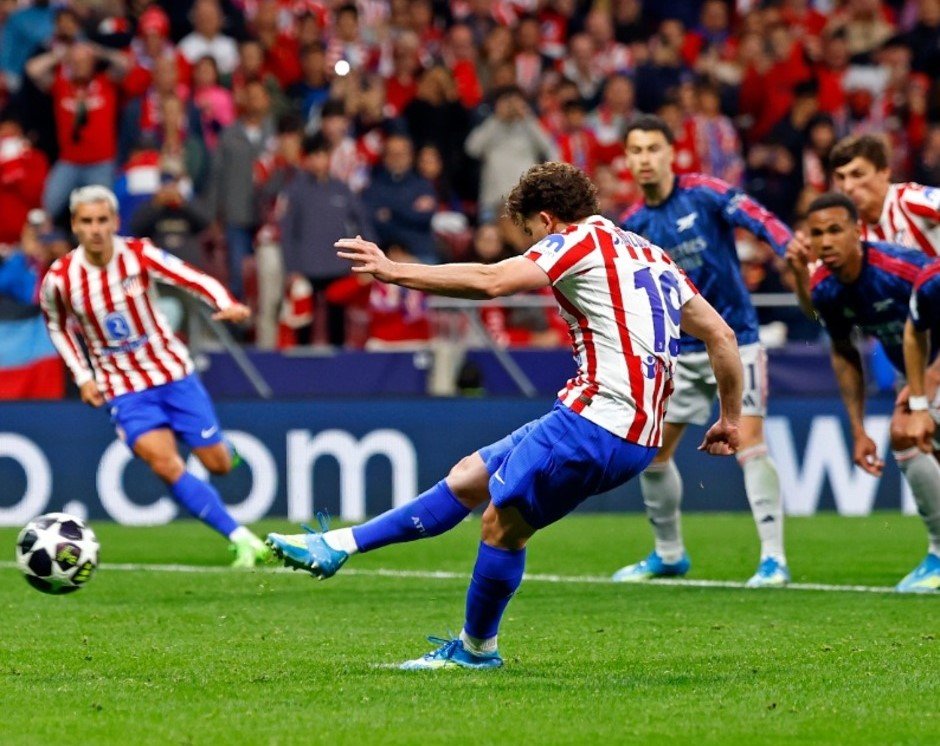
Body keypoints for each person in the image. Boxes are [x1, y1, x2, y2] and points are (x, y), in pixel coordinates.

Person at [267, 162, 744, 669]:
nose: (533, 245)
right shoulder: (651, 255)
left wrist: (394, 271)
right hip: (621, 428)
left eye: (531, 234)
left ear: (546, 219)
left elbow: (493, 281)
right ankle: (336, 545)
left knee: (501, 526)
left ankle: (476, 652)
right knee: (469, 477)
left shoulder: (573, 241)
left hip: (596, 422)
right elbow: (722, 336)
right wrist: (730, 417)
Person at [39, 186, 269, 568]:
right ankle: (241, 538)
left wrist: (225, 303)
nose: (95, 229)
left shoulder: (137, 254)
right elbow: (58, 327)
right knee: (165, 464)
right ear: (75, 226)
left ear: (114, 222)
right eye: (86, 221)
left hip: (172, 374)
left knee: (218, 465)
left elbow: (189, 276)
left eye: (102, 220)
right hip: (123, 389)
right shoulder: (60, 279)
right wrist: (82, 376)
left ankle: (228, 454)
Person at [616, 114, 801, 588]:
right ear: (627, 160)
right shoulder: (634, 225)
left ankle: (774, 560)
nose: (644, 159)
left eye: (653, 148)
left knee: (750, 444)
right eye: (635, 151)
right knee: (651, 453)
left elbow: (754, 216)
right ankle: (668, 554)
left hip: (736, 340)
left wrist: (786, 244)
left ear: (671, 153)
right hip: (677, 352)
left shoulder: (704, 191)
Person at [801, 192, 940, 592]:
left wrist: (924, 385)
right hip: (919, 378)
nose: (825, 241)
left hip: (932, 373)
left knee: (904, 433)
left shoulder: (903, 270)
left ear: (857, 232)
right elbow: (844, 354)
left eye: (834, 230)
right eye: (816, 234)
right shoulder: (825, 290)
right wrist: (858, 429)